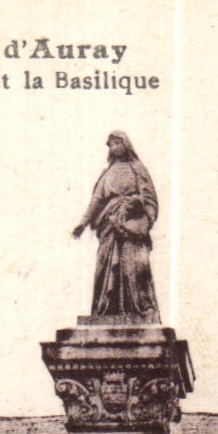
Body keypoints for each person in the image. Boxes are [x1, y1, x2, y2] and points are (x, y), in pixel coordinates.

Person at [71, 131, 160, 321]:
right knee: (104, 267)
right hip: (108, 225)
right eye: (111, 144)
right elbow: (96, 201)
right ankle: (105, 309)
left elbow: (149, 199)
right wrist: (83, 223)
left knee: (134, 268)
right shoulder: (107, 173)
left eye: (118, 142)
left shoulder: (138, 169)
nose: (114, 147)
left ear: (126, 144)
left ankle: (140, 309)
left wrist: (136, 204)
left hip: (131, 225)